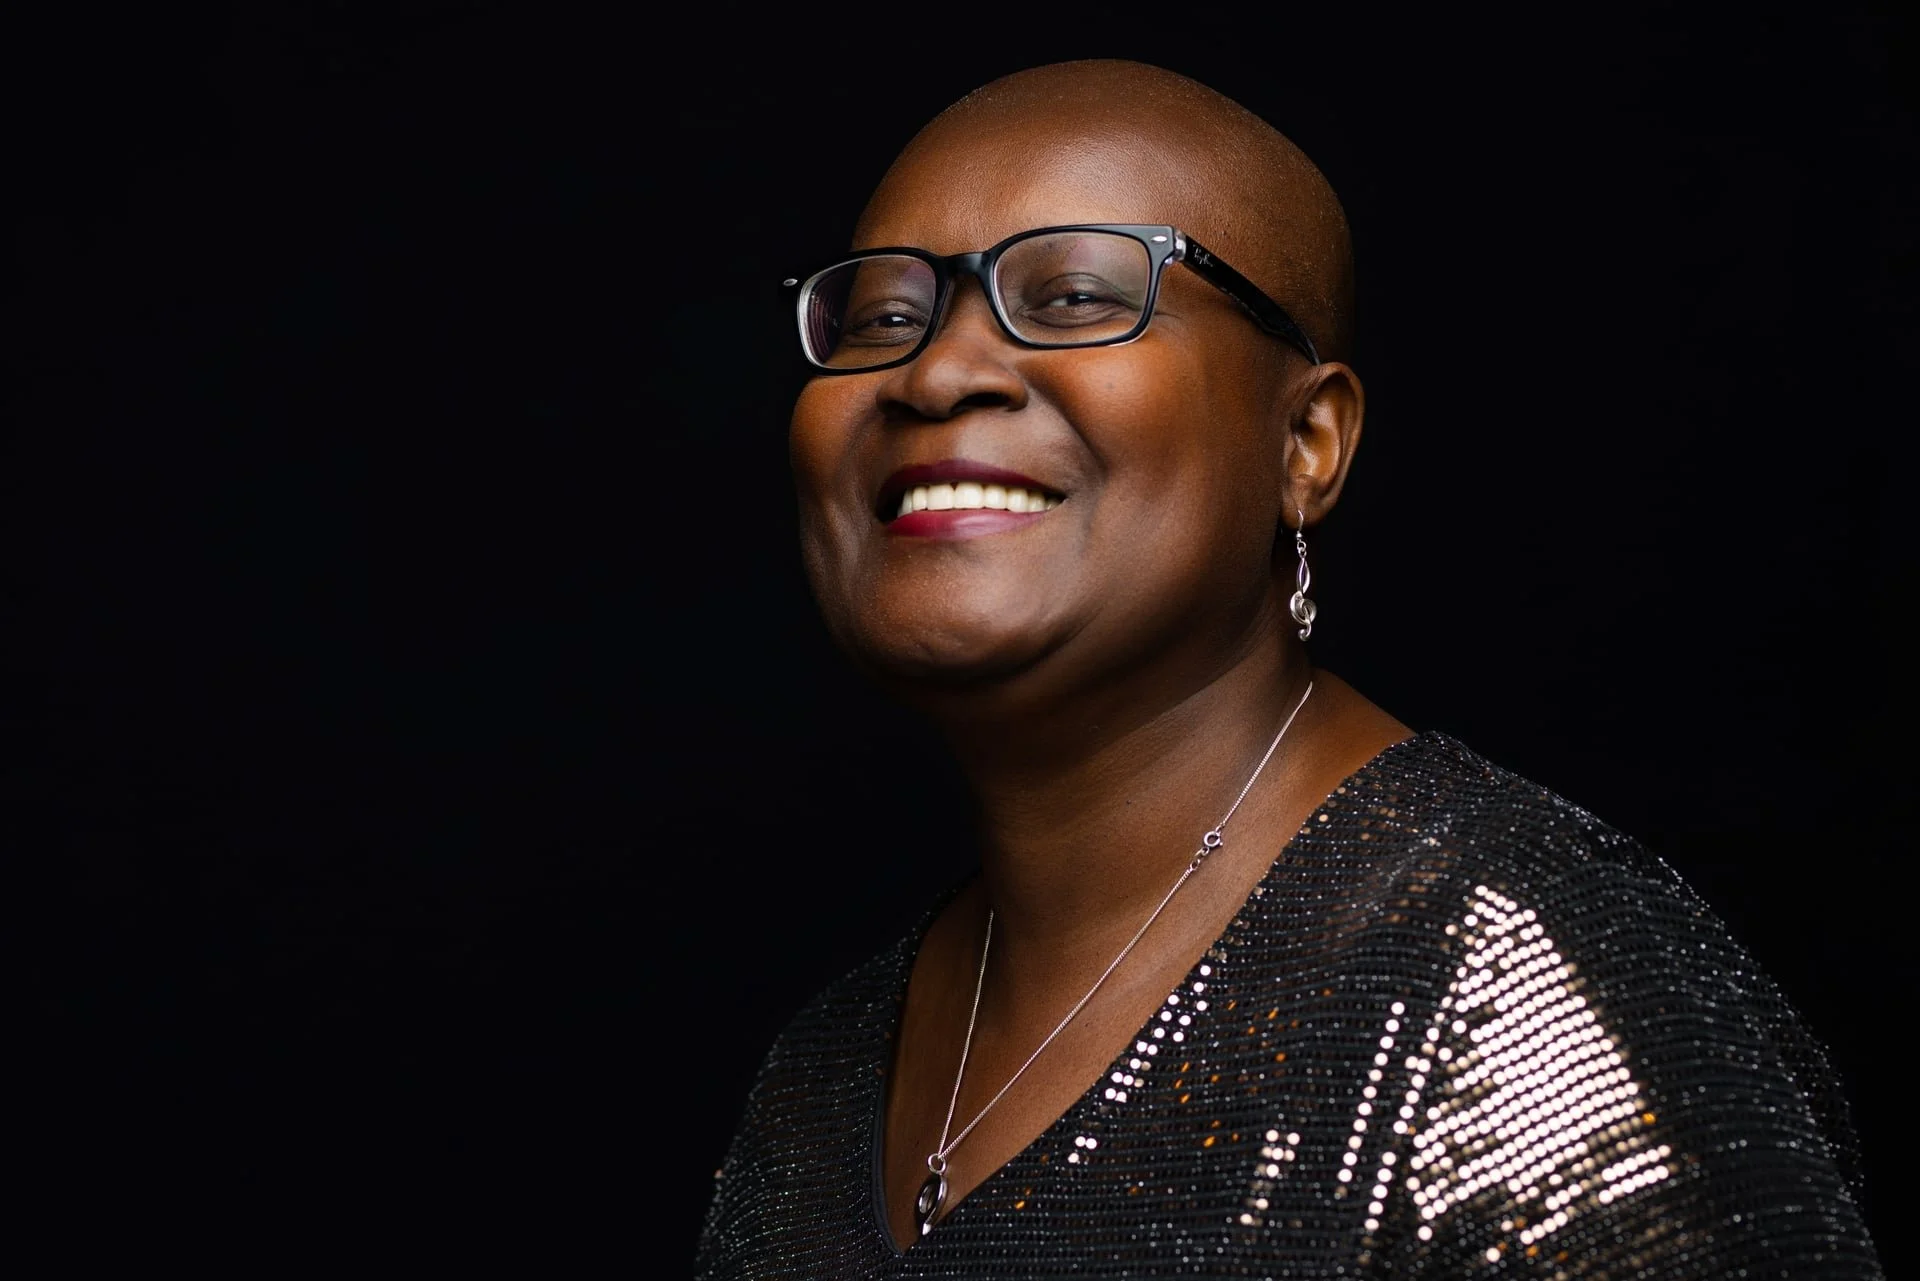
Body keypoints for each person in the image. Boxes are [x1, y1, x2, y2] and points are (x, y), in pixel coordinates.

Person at [695, 60, 1880, 1277]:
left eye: (1076, 294)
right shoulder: (822, 1079)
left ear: (1307, 444)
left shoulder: (1504, 982)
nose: (937, 375)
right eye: (886, 316)